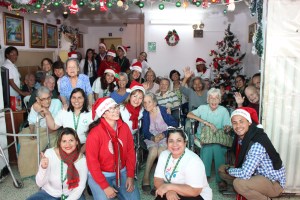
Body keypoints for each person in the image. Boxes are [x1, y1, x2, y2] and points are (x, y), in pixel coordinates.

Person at [218, 107, 285, 200]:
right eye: (234, 123)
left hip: (273, 183)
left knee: (238, 183)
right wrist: (227, 169)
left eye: (241, 121)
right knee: (222, 169)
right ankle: (251, 192)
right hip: (257, 175)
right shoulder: (245, 138)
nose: (238, 126)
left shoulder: (256, 142)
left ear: (249, 122)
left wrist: (229, 169)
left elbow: (245, 174)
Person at [86, 97, 140, 200]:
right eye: (111, 109)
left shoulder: (124, 128)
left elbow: (130, 153)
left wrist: (130, 175)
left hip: (121, 171)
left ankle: (119, 191)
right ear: (103, 114)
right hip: (100, 174)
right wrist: (105, 186)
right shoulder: (95, 134)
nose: (116, 111)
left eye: (116, 107)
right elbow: (92, 163)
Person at [187, 88, 231, 190]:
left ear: (220, 100)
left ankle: (215, 178)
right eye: (211, 98)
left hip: (219, 139)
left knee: (215, 147)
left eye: (217, 98)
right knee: (208, 146)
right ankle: (212, 178)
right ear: (207, 99)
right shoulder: (202, 108)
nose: (214, 100)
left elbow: (227, 127)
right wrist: (205, 122)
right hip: (202, 138)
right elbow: (189, 114)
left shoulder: (223, 111)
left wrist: (227, 128)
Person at [27, 128, 88, 200]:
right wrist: (43, 168)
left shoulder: (82, 160)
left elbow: (80, 187)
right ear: (59, 143)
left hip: (71, 194)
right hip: (49, 194)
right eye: (64, 141)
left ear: (77, 142)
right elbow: (39, 184)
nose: (68, 144)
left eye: (71, 140)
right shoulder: (50, 153)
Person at [154, 128, 212, 200]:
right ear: (167, 143)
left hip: (196, 194)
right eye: (171, 141)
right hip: (172, 190)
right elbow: (157, 179)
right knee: (160, 197)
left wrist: (168, 187)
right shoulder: (164, 155)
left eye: (179, 140)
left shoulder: (193, 160)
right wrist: (169, 191)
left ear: (185, 143)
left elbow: (195, 191)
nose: (175, 144)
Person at [142, 93, 178, 193]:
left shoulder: (163, 110)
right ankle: (145, 177)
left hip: (165, 136)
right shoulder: (145, 113)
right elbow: (144, 131)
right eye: (144, 102)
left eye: (149, 102)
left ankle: (158, 181)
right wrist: (152, 137)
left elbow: (175, 124)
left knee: (161, 151)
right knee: (153, 150)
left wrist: (164, 134)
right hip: (152, 137)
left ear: (154, 102)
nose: (147, 104)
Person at [43, 88, 92, 153]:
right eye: (73, 97)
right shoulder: (64, 112)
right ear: (70, 99)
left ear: (84, 99)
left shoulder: (90, 113)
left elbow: (93, 137)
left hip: (84, 146)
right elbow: (53, 126)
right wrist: (47, 113)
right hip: (67, 146)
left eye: (79, 98)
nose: (76, 100)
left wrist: (81, 152)